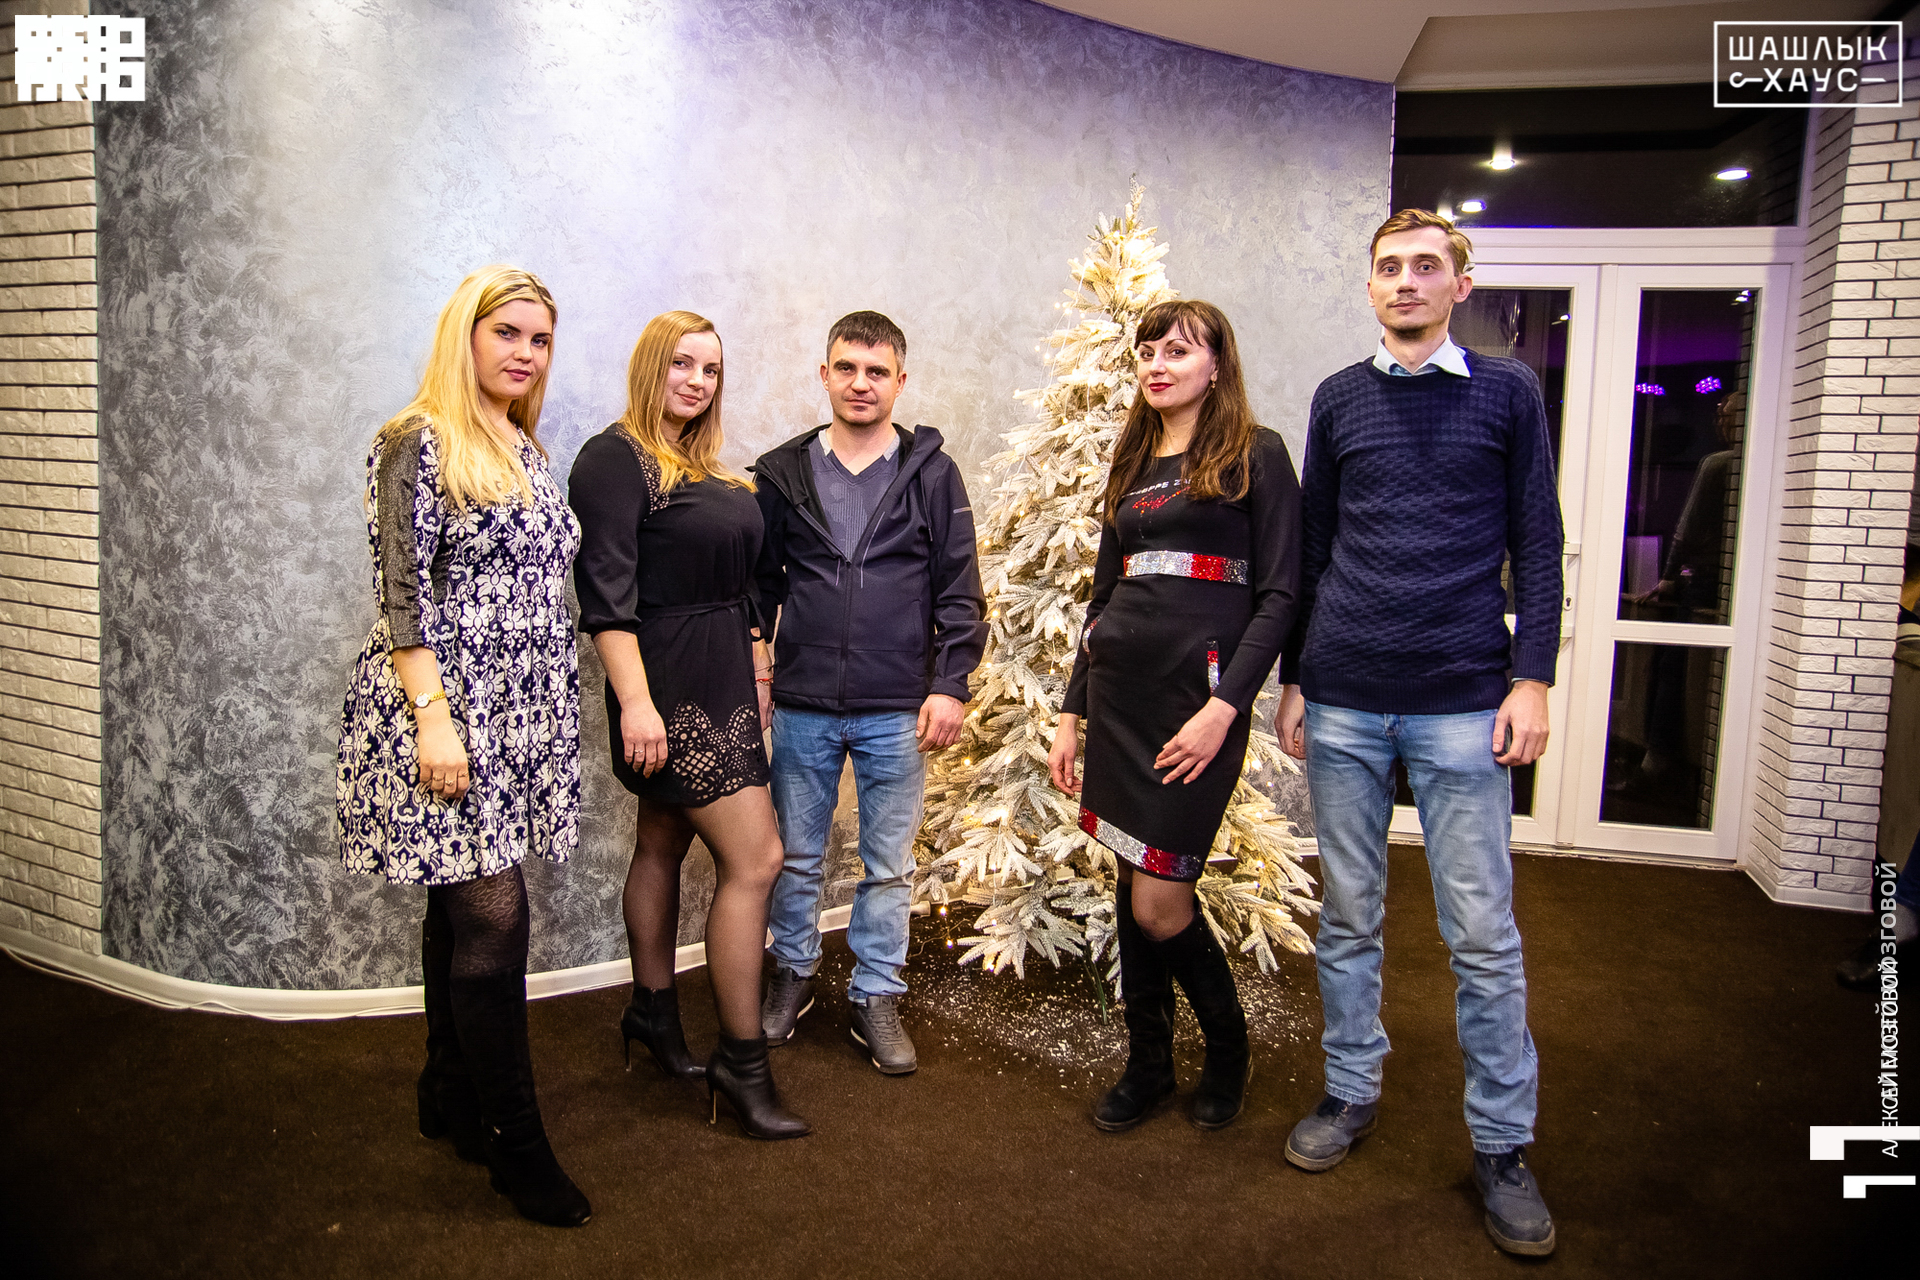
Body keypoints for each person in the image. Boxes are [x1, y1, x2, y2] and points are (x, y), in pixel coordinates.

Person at [1276, 208, 1563, 1258]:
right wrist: (1298, 677)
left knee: (1481, 934)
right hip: (1345, 697)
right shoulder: (1339, 397)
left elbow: (1539, 538)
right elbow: (1313, 544)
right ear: (1370, 286)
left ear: (1459, 285)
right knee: (1350, 916)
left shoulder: (1507, 391)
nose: (1406, 280)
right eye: (1389, 267)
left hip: (1462, 701)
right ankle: (1351, 1088)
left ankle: (1502, 1144)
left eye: (1426, 266)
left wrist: (1532, 678)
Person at [336, 265, 590, 1227]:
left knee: (458, 908)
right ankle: (516, 1146)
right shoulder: (418, 439)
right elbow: (401, 594)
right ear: (466, 335)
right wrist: (434, 719)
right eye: (507, 333)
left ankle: (446, 1093)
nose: (524, 354)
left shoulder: (520, 442)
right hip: (450, 708)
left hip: (518, 713)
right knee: (493, 916)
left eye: (539, 339)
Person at [1046, 299, 1302, 1134]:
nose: (1158, 365)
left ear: (1216, 365)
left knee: (1162, 900)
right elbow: (1103, 599)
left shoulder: (1258, 454)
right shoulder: (1132, 460)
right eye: (1148, 351)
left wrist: (1227, 708)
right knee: (1132, 877)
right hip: (1120, 700)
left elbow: (1280, 595)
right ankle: (1149, 1064)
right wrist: (1071, 715)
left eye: (1179, 351)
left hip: (1197, 707)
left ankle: (1228, 1051)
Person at [568, 310, 806, 1140]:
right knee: (759, 858)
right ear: (650, 366)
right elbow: (606, 595)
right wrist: (636, 703)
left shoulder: (704, 467)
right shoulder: (614, 459)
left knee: (662, 840)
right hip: (666, 681)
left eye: (710, 369)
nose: (697, 381)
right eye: (681, 363)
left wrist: (759, 665)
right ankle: (743, 1065)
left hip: (723, 671)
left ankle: (653, 1011)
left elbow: (745, 587)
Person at [753, 311, 986, 1074]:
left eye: (876, 371)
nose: (861, 383)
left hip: (897, 708)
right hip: (803, 705)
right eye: (847, 368)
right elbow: (757, 587)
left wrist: (949, 685)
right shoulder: (783, 474)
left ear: (899, 381)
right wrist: (759, 670)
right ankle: (792, 972)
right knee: (795, 857)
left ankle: (876, 993)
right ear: (825, 375)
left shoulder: (932, 475)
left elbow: (960, 589)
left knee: (889, 865)